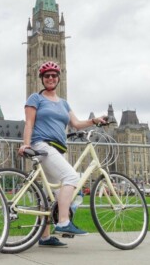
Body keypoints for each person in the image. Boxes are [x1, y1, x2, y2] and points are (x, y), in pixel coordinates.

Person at [18, 61, 106, 248]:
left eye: (54, 76)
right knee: (71, 177)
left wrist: (93, 120)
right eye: (47, 76)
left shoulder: (64, 103)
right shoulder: (35, 98)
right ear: (42, 79)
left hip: (57, 149)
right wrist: (26, 145)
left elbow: (75, 123)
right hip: (43, 145)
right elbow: (29, 123)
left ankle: (44, 237)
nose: (50, 78)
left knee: (53, 196)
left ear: (58, 79)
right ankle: (64, 222)